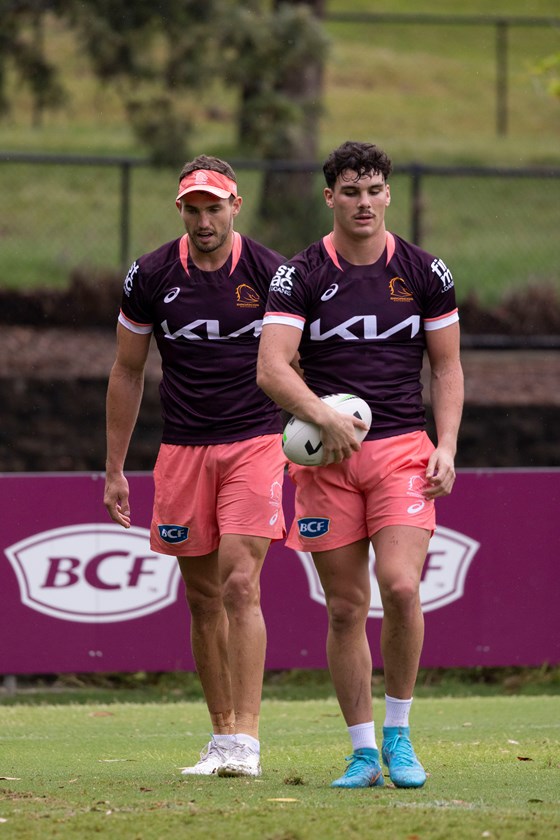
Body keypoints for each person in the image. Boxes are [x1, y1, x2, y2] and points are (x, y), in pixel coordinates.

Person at [257, 140, 464, 789]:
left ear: (389, 194)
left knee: (401, 586)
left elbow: (448, 366)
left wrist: (448, 445)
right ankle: (363, 751)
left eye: (374, 190)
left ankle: (400, 736)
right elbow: (270, 367)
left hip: (403, 451)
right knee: (345, 609)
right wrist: (322, 417)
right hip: (325, 461)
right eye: (351, 191)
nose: (364, 202)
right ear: (330, 197)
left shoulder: (427, 272)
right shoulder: (302, 274)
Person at [104, 154, 289, 779]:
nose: (204, 219)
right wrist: (113, 467)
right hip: (182, 448)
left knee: (241, 584)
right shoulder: (150, 274)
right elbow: (128, 370)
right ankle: (222, 734)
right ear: (179, 209)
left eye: (215, 207)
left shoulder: (272, 273)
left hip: (256, 441)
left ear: (236, 205)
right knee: (202, 599)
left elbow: (304, 360)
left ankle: (250, 741)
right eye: (193, 208)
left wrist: (320, 429)